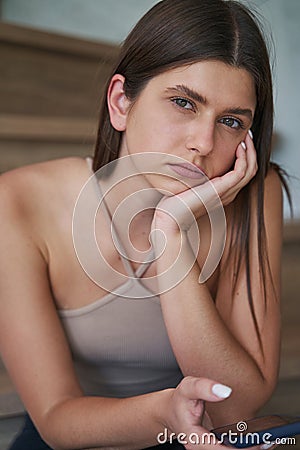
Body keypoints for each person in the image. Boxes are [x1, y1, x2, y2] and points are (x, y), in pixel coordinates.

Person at [0, 0, 289, 448]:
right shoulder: (16, 203)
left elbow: (234, 408)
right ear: (121, 102)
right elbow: (57, 419)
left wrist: (170, 235)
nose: (204, 142)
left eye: (231, 121)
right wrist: (163, 413)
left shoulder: (255, 190)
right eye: (183, 103)